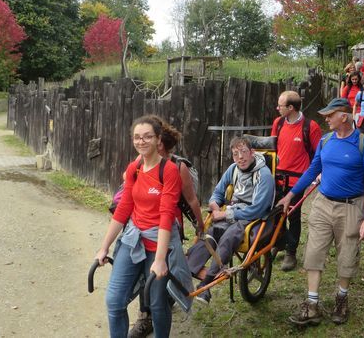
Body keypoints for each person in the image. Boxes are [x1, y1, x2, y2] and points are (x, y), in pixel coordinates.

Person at [277, 98, 364, 326]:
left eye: (329, 115)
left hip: (351, 207)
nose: (326, 118)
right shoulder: (325, 141)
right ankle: (312, 305)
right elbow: (312, 170)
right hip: (322, 204)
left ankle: (341, 299)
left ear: (344, 116)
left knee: (347, 255)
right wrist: (291, 195)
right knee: (313, 252)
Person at [95, 115, 182, 338]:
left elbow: (166, 215)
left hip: (158, 243)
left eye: (147, 137)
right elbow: (124, 208)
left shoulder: (169, 170)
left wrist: (161, 259)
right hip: (133, 239)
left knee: (157, 303)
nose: (141, 142)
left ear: (158, 139)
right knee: (114, 301)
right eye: (137, 137)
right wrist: (104, 247)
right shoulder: (134, 168)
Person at [128, 118, 205, 338]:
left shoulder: (177, 167)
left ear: (163, 144)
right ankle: (145, 317)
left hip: (170, 225)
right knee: (144, 272)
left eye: (157, 143)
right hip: (143, 226)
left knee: (161, 275)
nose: (151, 147)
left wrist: (199, 224)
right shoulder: (141, 161)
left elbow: (191, 200)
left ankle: (160, 308)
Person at [186, 136, 275, 304]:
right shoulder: (233, 168)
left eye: (243, 152)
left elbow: (258, 208)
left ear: (252, 152)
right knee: (211, 233)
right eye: (235, 154)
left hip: (251, 216)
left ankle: (207, 284)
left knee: (229, 236)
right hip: (231, 210)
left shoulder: (264, 175)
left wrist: (226, 214)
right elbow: (218, 192)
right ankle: (189, 267)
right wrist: (214, 205)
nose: (240, 157)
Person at [271, 91, 321, 271]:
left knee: (293, 215)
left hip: (297, 180)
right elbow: (273, 149)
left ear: (291, 108)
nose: (277, 108)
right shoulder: (278, 123)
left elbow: (318, 154)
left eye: (281, 105)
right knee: (275, 212)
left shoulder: (310, 127)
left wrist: (318, 174)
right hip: (277, 178)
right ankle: (278, 242)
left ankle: (291, 252)